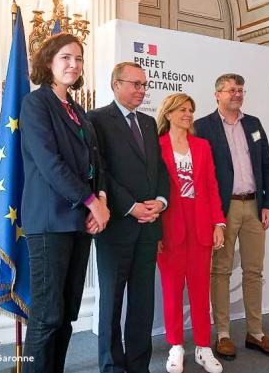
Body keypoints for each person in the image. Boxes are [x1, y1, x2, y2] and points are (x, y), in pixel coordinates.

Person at [19, 33, 110, 373]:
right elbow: (49, 163)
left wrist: (99, 198)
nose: (74, 64)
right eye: (66, 58)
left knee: (68, 313)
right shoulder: (36, 103)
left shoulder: (77, 109)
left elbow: (95, 163)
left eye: (79, 59)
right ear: (48, 63)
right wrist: (90, 200)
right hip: (49, 222)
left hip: (78, 223)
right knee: (46, 315)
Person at [194, 73, 269, 360]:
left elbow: (267, 165)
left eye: (241, 89)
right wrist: (210, 216)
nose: (237, 94)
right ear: (217, 94)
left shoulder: (253, 124)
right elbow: (199, 176)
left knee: (254, 271)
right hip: (223, 209)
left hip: (254, 206)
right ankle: (222, 334)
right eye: (231, 90)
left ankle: (255, 332)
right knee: (220, 270)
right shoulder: (202, 127)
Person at [88, 62, 170, 373]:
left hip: (149, 227)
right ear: (115, 84)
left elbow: (159, 170)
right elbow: (100, 171)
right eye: (134, 84)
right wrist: (131, 206)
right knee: (111, 301)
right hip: (116, 227)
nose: (141, 90)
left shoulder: (149, 123)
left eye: (143, 84)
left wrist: (161, 202)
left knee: (142, 301)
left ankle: (139, 365)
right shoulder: (96, 119)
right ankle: (111, 366)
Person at [156, 93, 226, 373]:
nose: (188, 114)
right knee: (172, 291)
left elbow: (211, 186)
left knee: (200, 291)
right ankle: (176, 346)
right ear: (169, 113)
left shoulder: (202, 146)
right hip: (170, 228)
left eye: (190, 110)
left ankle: (203, 347)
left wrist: (218, 223)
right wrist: (156, 232)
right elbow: (152, 189)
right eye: (182, 110)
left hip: (200, 227)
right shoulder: (156, 146)